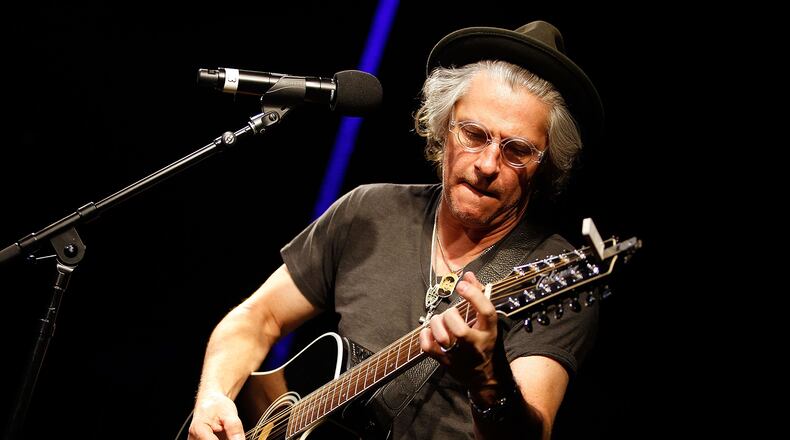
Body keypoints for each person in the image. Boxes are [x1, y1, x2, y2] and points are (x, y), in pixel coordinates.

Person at [188, 20, 604, 440]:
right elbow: (258, 317)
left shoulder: (555, 273)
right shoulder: (370, 210)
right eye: (474, 134)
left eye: (517, 151)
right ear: (444, 128)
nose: (487, 165)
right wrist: (213, 397)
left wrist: (487, 382)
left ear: (544, 165)